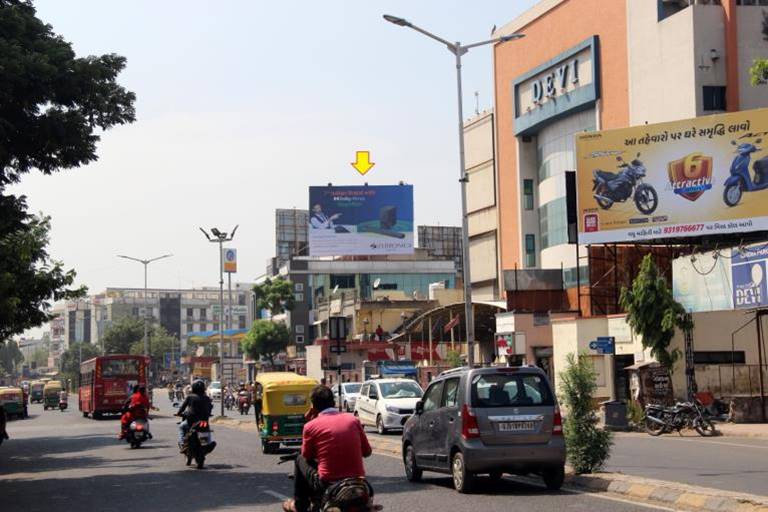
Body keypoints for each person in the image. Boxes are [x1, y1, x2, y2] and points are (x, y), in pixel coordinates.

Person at [282, 385, 372, 512]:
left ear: (313, 407)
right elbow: (367, 452)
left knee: (299, 458)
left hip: (327, 482)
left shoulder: (310, 426)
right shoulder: (353, 420)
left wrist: (311, 421)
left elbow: (307, 455)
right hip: (359, 481)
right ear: (333, 402)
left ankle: (300, 505)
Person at [176, 380, 213, 452]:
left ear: (193, 388)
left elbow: (183, 407)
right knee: (207, 430)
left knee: (181, 426)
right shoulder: (206, 398)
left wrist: (178, 413)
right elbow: (210, 407)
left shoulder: (190, 397)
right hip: (203, 421)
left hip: (191, 421)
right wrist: (208, 413)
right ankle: (208, 443)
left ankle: (182, 443)